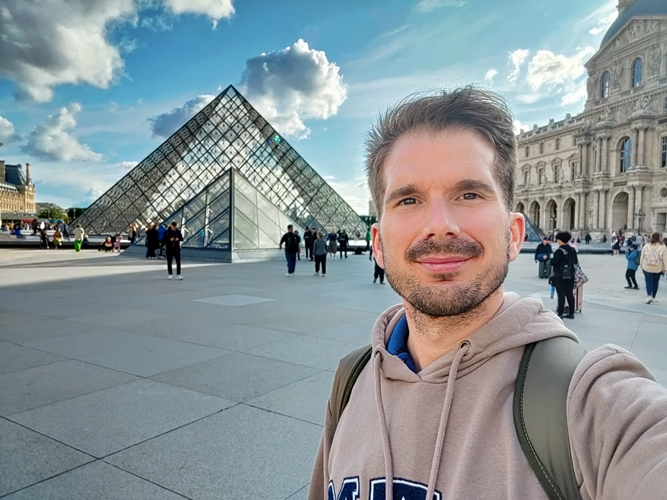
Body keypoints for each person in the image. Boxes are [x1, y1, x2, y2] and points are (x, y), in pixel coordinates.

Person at [308, 87, 667, 500]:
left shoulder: (591, 403)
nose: (439, 225)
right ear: (378, 245)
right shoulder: (350, 382)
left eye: (469, 194)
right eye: (408, 199)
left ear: (514, 235)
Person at [550, 231, 578, 319]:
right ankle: (571, 313)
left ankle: (560, 313)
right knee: (569, 293)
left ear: (560, 240)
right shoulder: (572, 250)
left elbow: (555, 262)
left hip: (560, 274)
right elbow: (575, 261)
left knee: (561, 294)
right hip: (570, 274)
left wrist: (551, 260)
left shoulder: (558, 251)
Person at [640, 232, 667, 304]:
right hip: (658, 267)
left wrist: (641, 264)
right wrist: (665, 268)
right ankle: (653, 297)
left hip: (647, 266)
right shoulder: (663, 247)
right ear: (659, 238)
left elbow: (642, 256)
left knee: (648, 282)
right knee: (655, 283)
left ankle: (648, 296)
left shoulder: (646, 246)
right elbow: (665, 259)